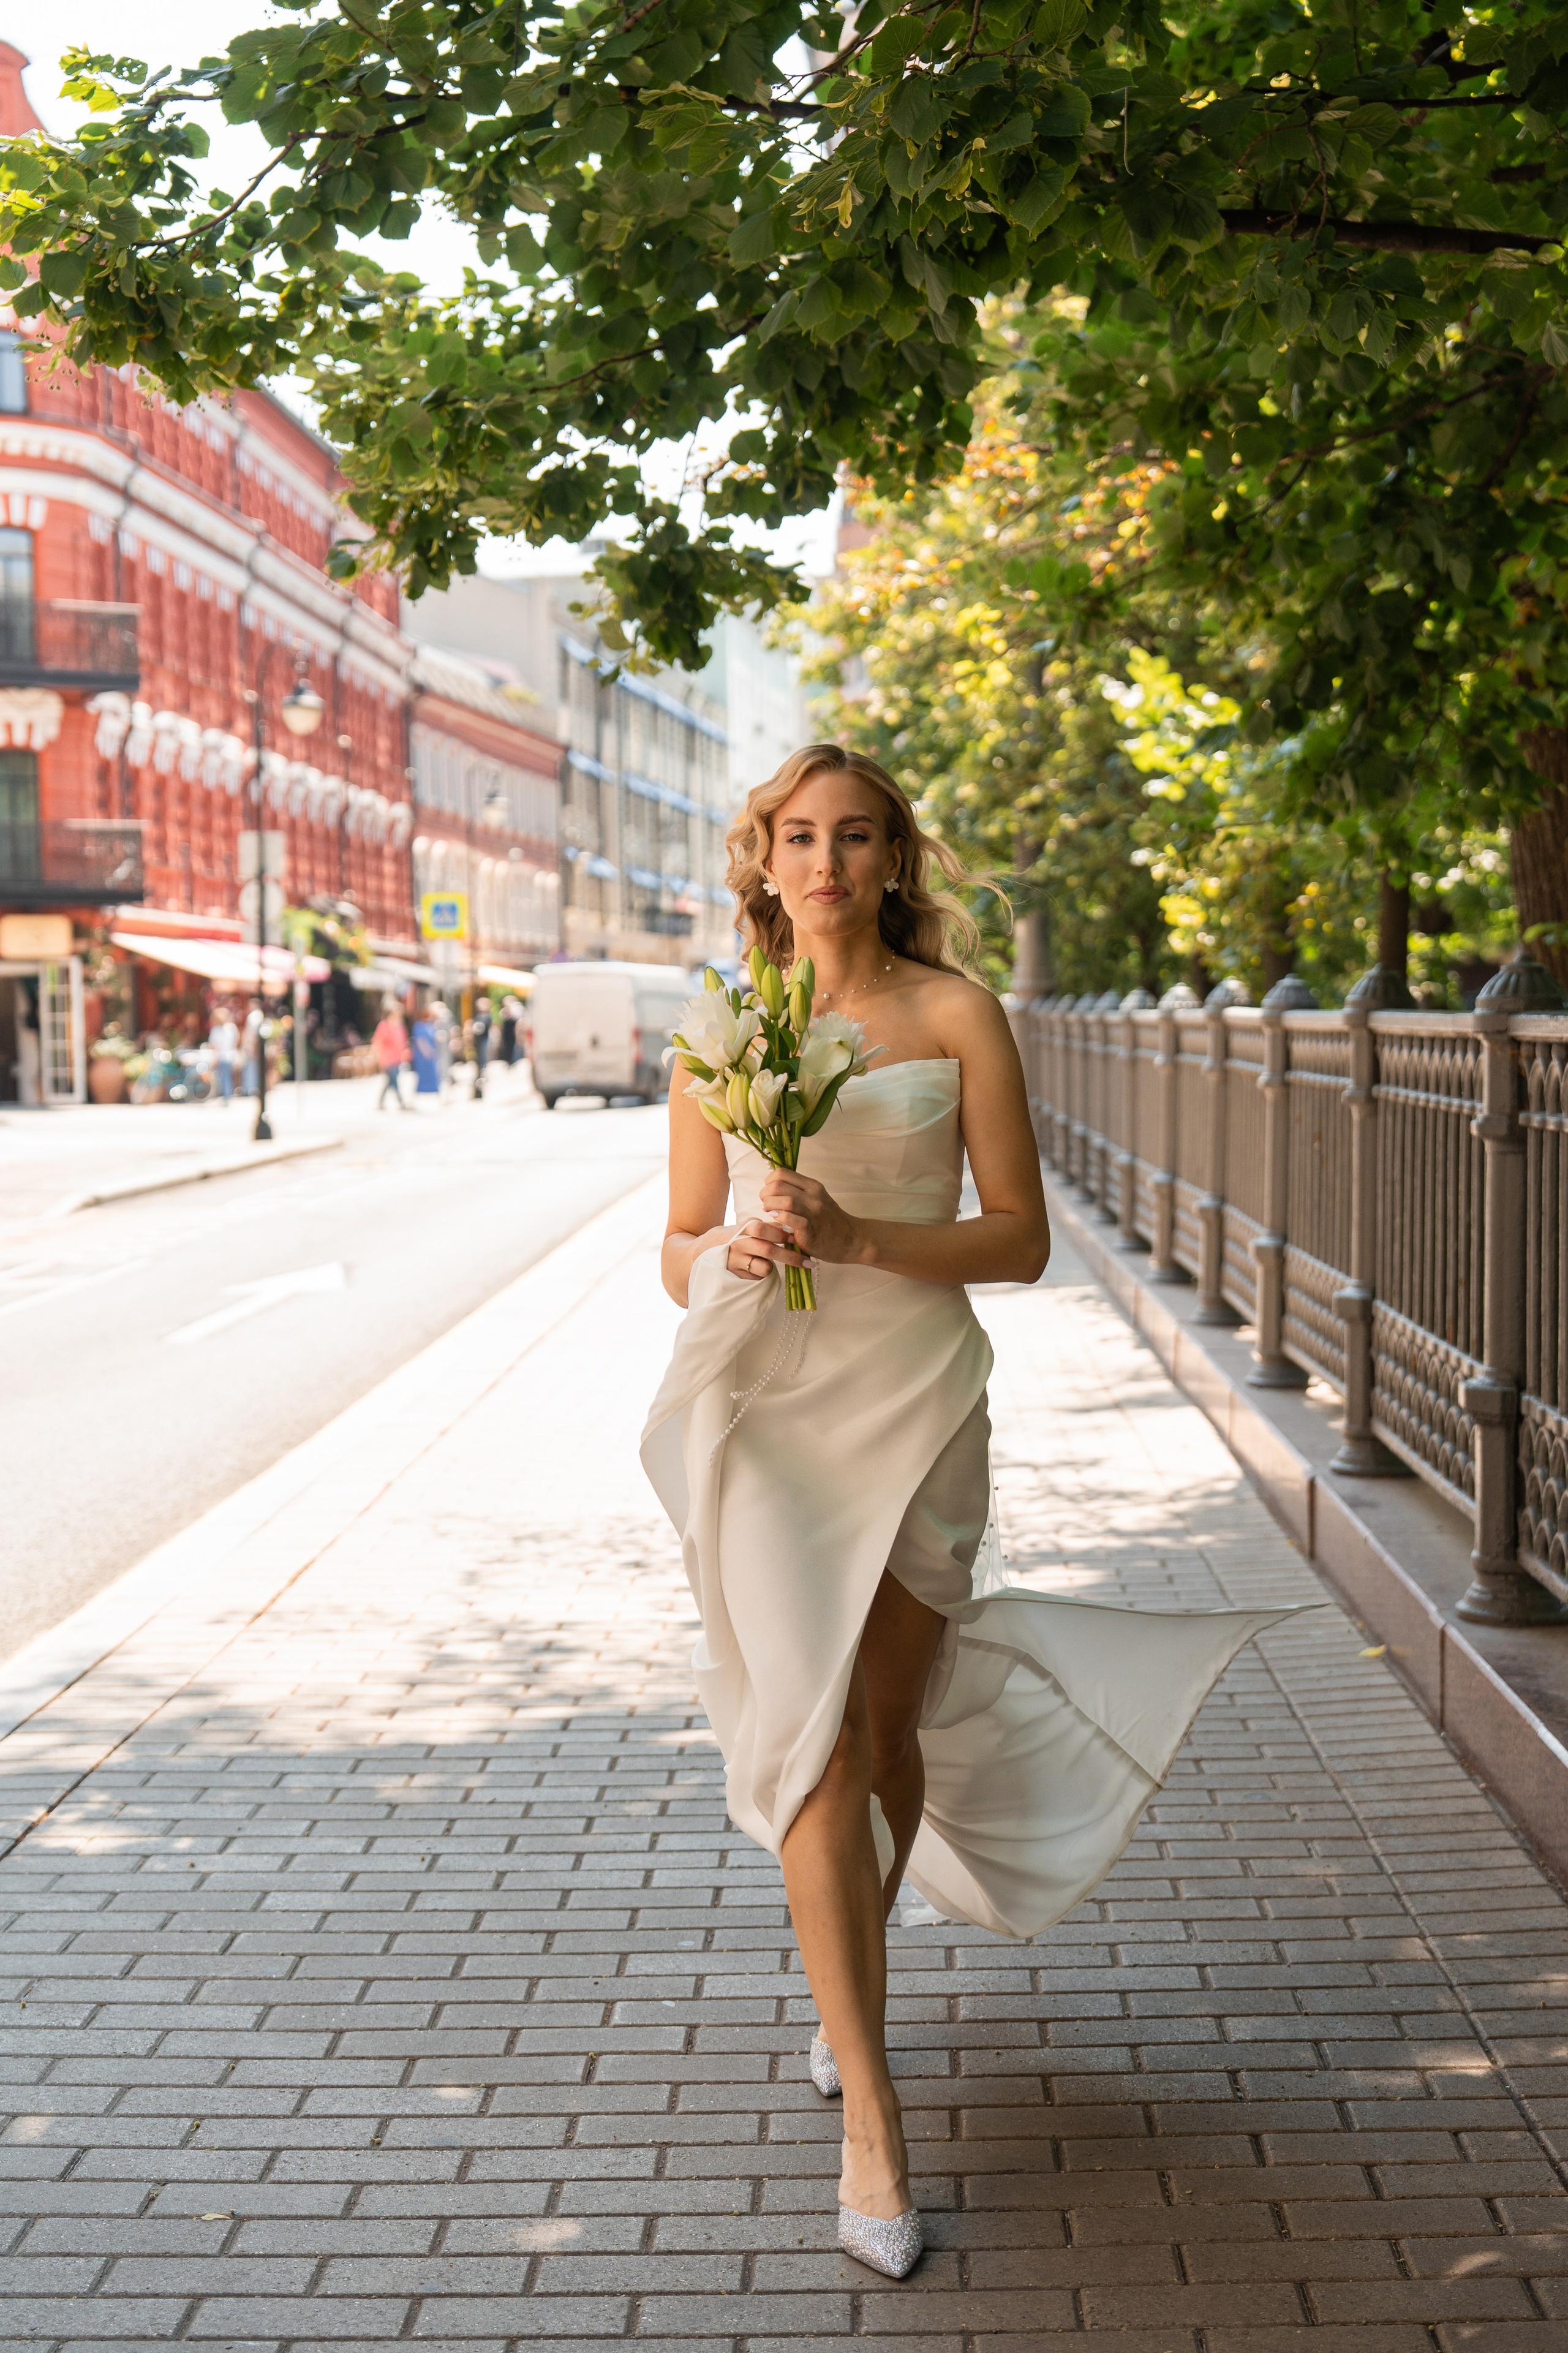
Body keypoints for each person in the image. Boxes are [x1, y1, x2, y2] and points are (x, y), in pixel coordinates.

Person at [642, 745, 1294, 2279]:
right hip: (769, 1414)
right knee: (806, 1739)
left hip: (916, 1394)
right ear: (763, 857)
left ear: (889, 856)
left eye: (851, 835)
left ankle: (838, 1986)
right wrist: (730, 1247)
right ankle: (871, 2104)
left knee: (883, 1734)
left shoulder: (953, 1013)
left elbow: (1019, 1241)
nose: (822, 861)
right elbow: (671, 1242)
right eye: (796, 835)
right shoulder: (720, 1024)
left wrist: (863, 1228)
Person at [372, 1000, 410, 1111]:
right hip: (388, 1057)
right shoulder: (384, 1026)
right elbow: (378, 1041)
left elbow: (404, 1041)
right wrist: (379, 1055)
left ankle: (381, 1102)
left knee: (390, 1081)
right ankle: (401, 1101)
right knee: (394, 1079)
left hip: (398, 1057)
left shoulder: (400, 1026)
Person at [208, 1006, 238, 1103]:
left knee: (224, 1077)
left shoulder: (216, 1030)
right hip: (231, 1055)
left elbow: (214, 1046)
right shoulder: (231, 1027)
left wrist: (214, 1058)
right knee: (228, 1076)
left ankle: (226, 1096)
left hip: (222, 1056)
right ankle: (228, 1095)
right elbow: (236, 1040)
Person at [240, 996, 263, 1097]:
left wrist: (252, 1046)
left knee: (251, 1068)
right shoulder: (259, 1015)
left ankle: (250, 1088)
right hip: (254, 1045)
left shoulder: (254, 1016)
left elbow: (253, 1034)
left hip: (252, 1046)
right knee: (253, 1067)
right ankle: (253, 1088)